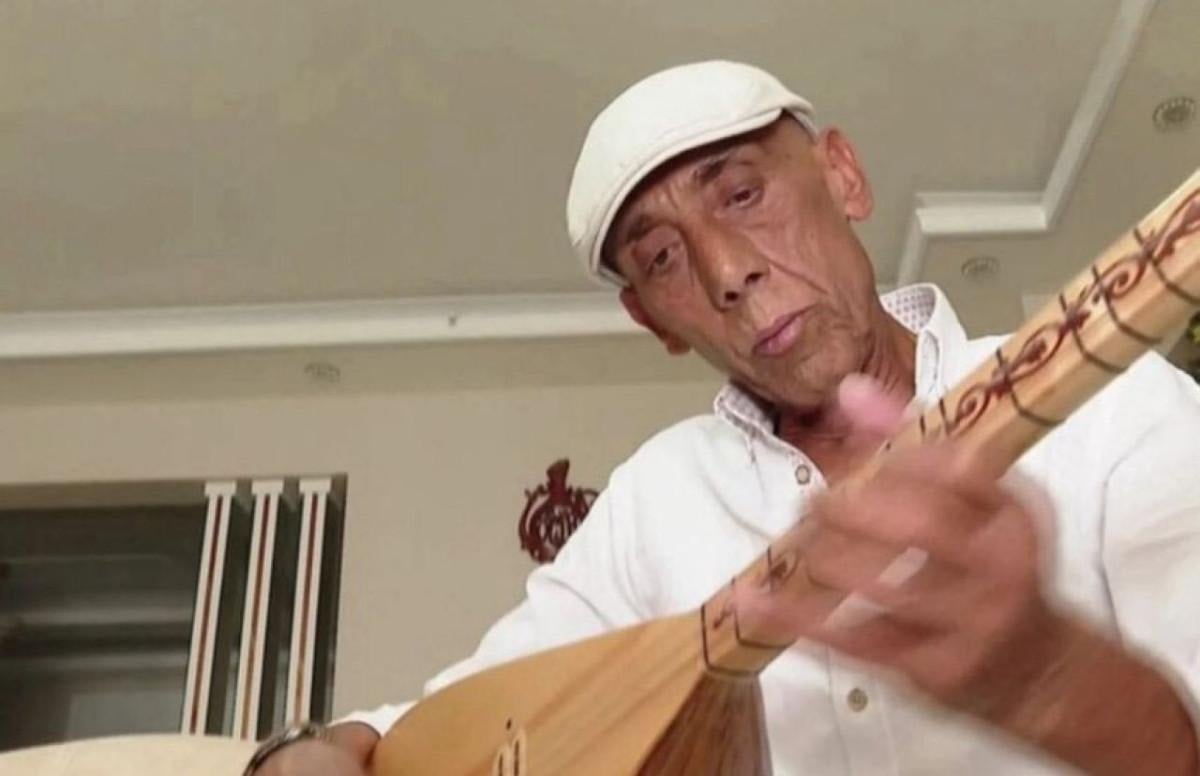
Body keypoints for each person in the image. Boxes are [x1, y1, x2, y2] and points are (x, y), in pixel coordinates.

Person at [250, 61, 1200, 775]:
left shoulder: (1120, 405)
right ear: (653, 321)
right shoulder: (653, 500)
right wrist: (304, 752)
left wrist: (1049, 679)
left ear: (843, 175)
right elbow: (458, 719)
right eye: (662, 258)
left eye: (742, 194)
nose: (726, 271)